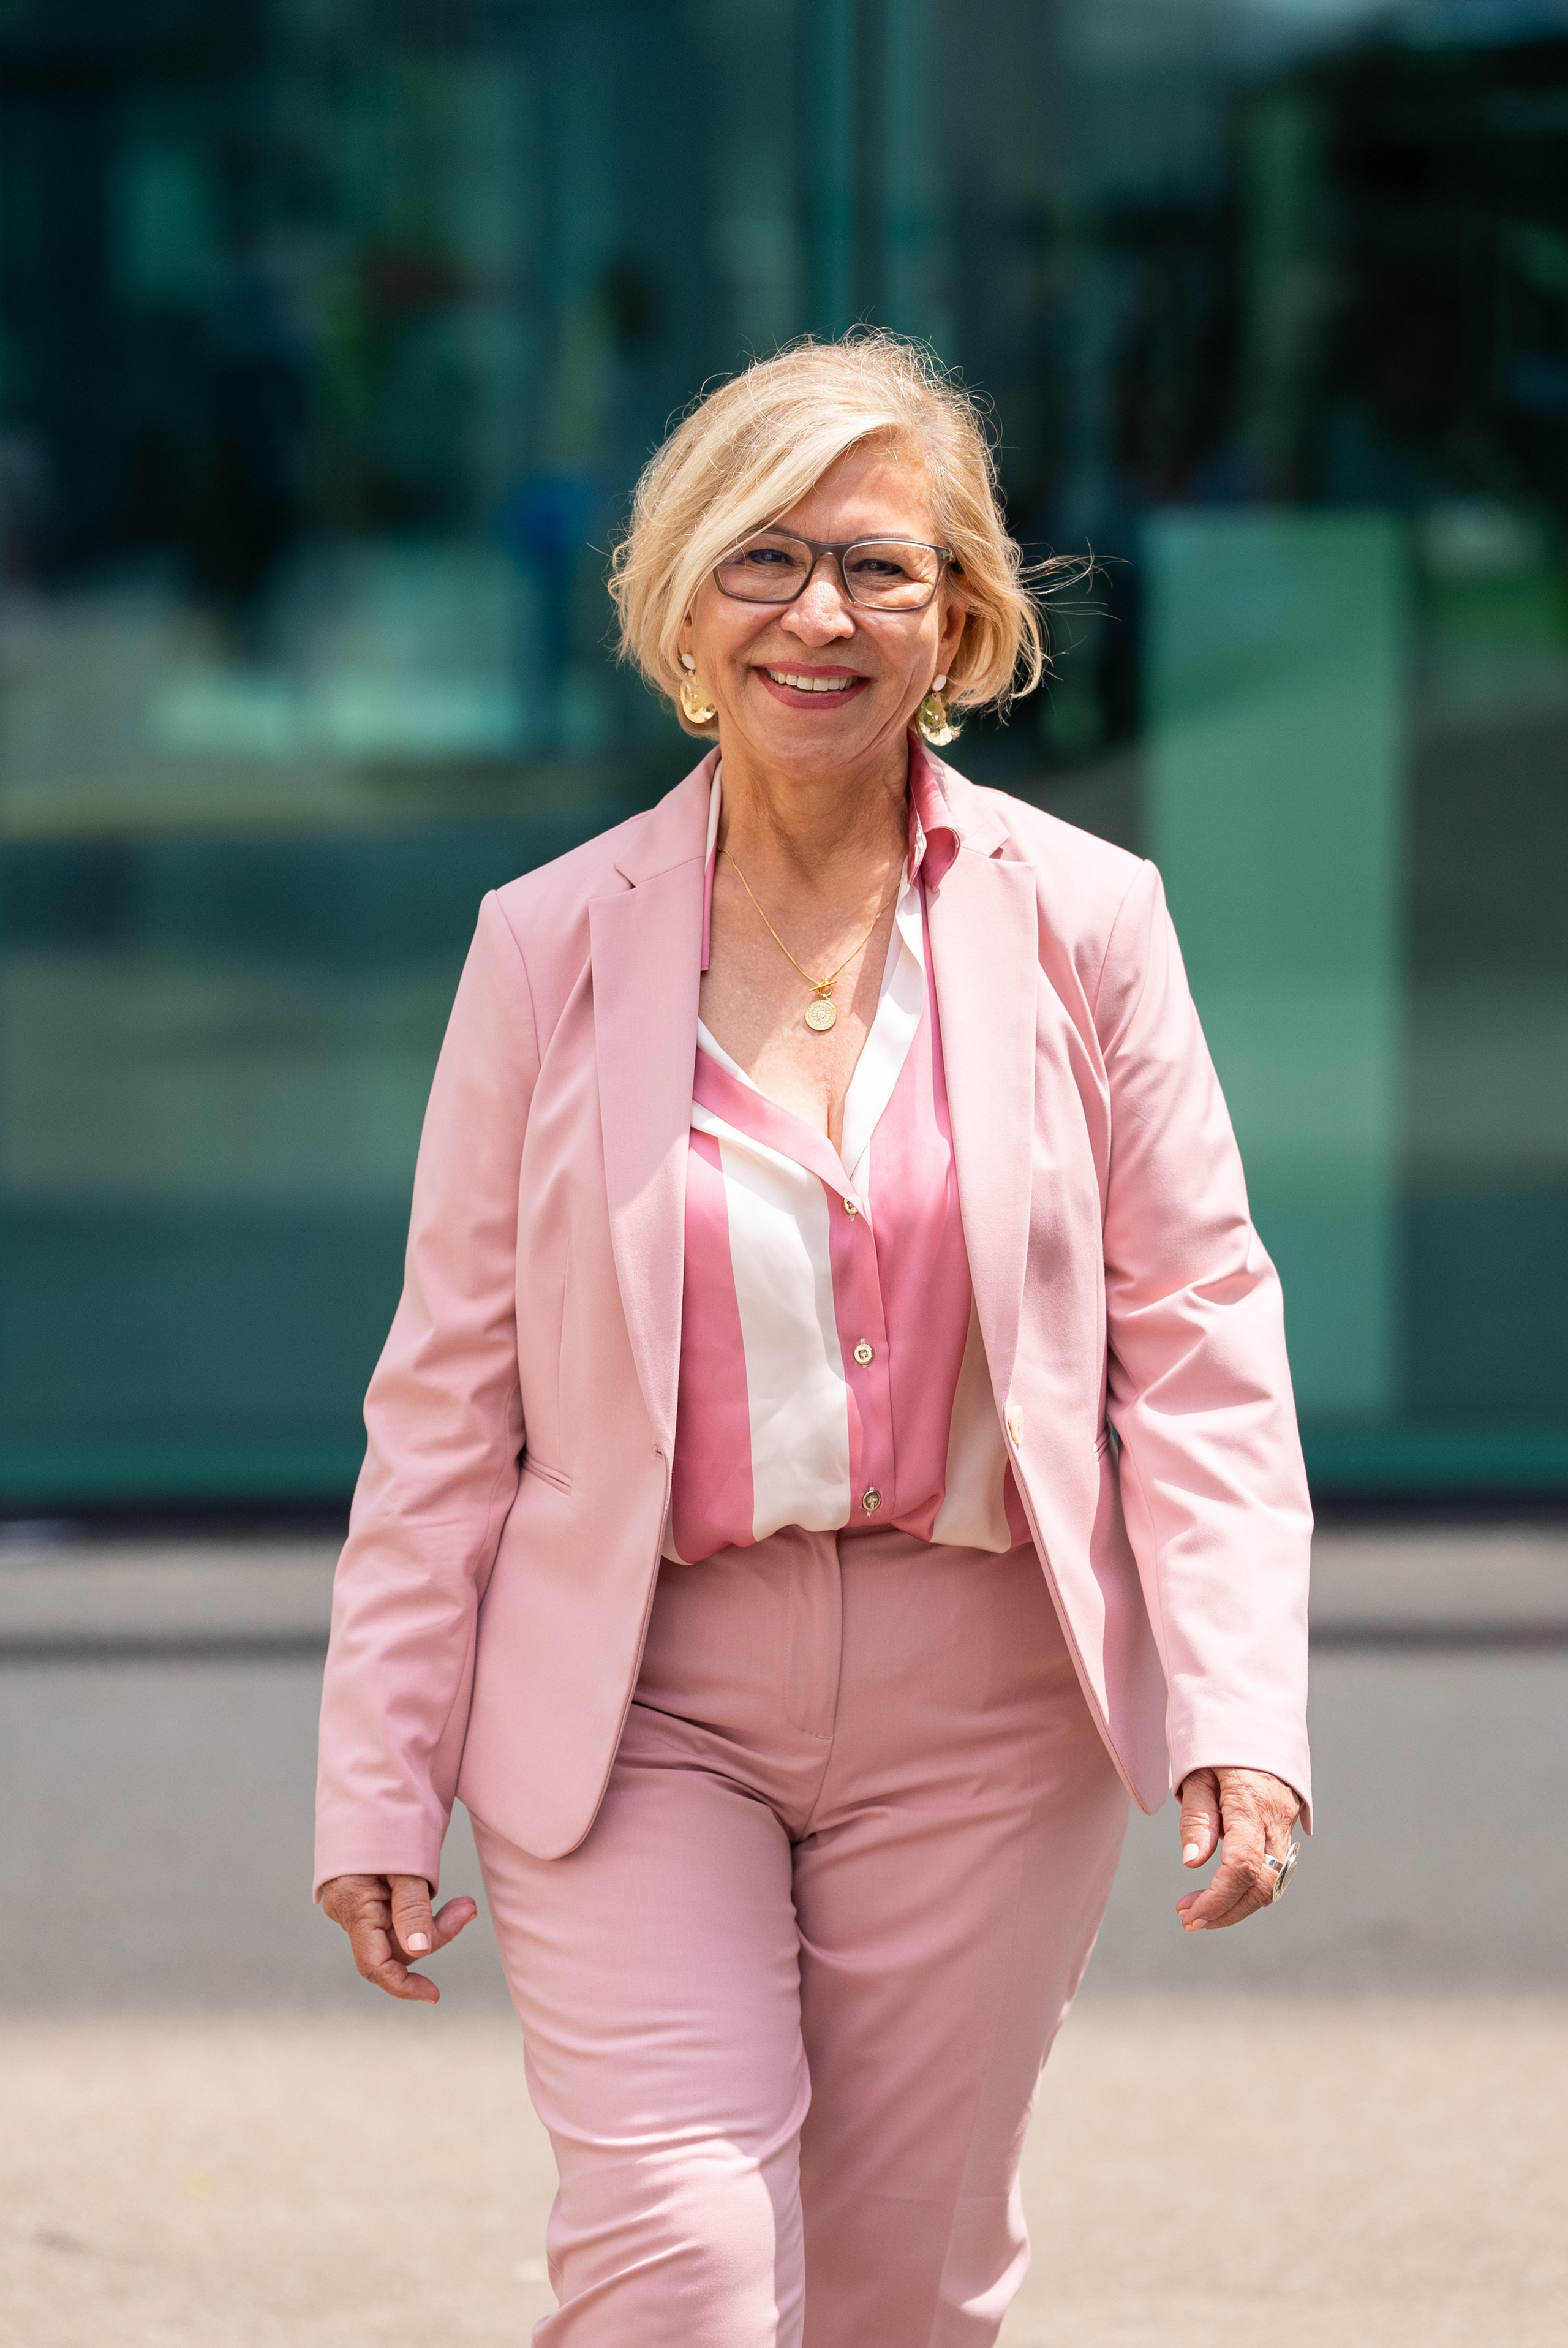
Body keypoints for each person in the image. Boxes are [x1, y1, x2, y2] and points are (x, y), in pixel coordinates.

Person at [314, 333, 1311, 2348]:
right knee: (682, 2256)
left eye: (879, 565)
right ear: (684, 601)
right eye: (764, 559)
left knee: (895, 2289)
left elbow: (1196, 1324)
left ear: (959, 617)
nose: (820, 614)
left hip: (988, 1698)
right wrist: (378, 1773)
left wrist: (1238, 1706)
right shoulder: (546, 939)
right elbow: (449, 1392)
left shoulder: (1090, 919)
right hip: (639, 1694)